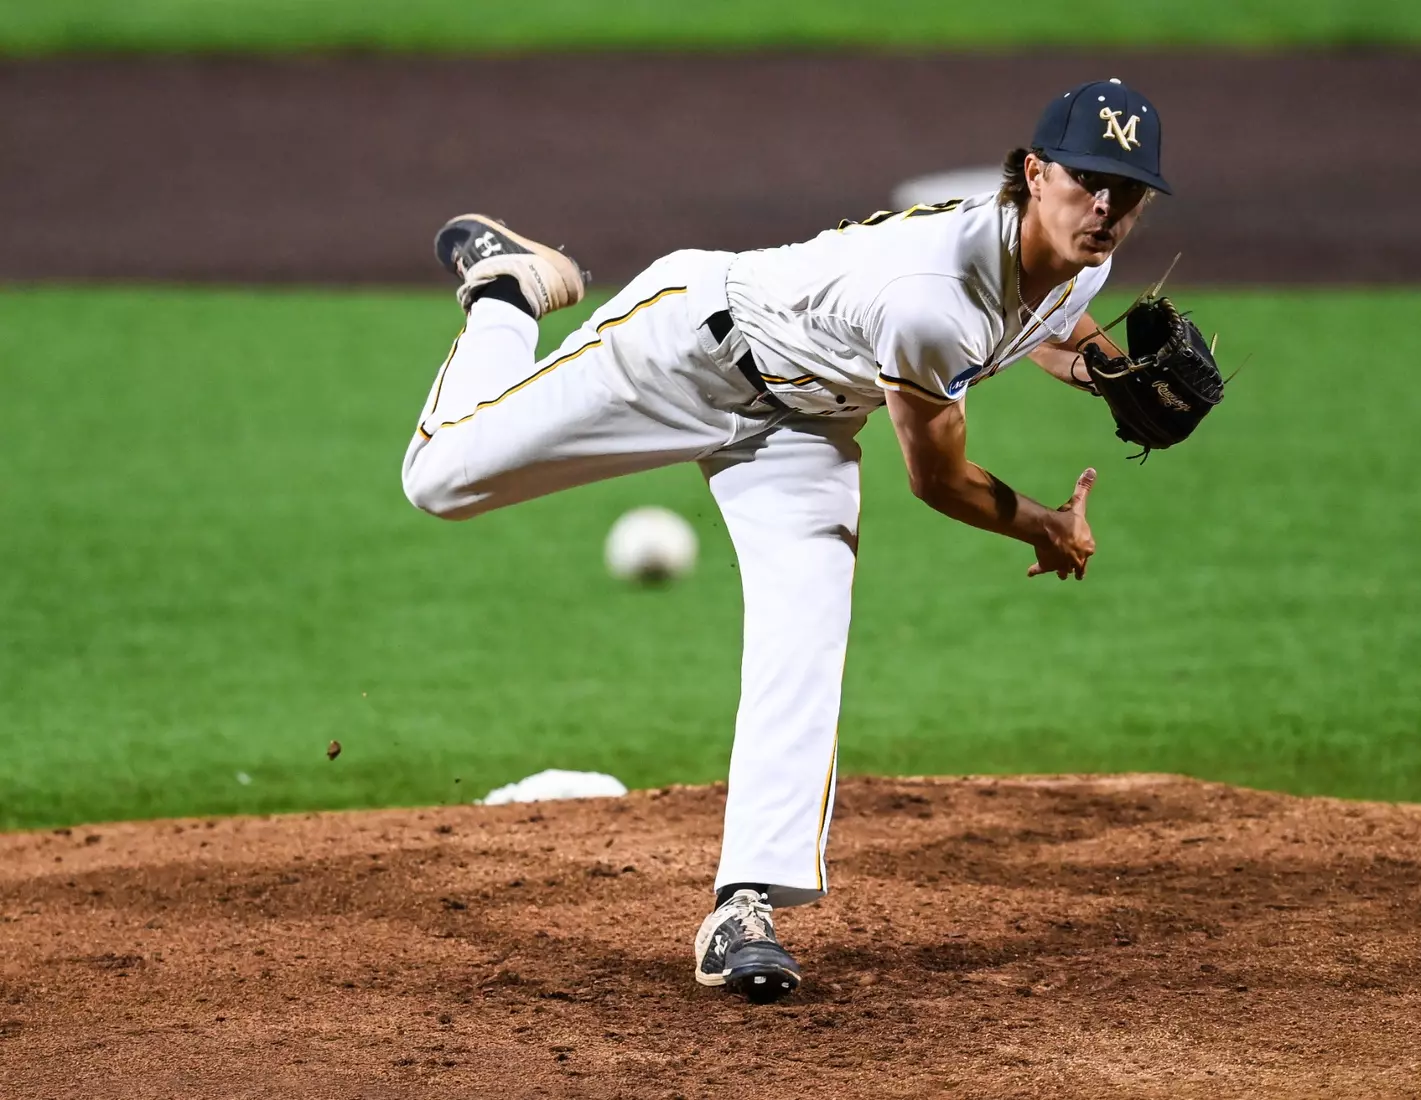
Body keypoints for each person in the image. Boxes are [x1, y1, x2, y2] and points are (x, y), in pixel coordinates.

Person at [401, 78, 1171, 1003]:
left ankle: (743, 908)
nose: (1105, 207)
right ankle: (503, 290)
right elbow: (936, 480)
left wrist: (1106, 368)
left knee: (804, 627)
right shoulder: (933, 297)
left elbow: (1044, 324)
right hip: (686, 351)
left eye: (1126, 191)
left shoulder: (1079, 259)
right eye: (1087, 181)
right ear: (1035, 173)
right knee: (439, 481)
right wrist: (1043, 521)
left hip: (803, 429)